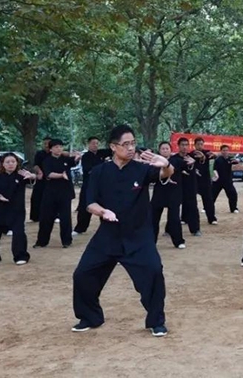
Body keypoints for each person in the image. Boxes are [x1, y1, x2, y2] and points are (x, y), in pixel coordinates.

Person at [72, 125, 174, 337]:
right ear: (113, 146)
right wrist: (103, 212)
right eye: (125, 144)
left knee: (154, 271)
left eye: (133, 143)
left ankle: (156, 321)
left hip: (138, 235)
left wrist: (166, 165)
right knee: (83, 274)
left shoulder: (142, 169)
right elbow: (90, 203)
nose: (130, 148)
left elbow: (165, 174)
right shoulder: (99, 172)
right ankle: (90, 317)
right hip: (108, 235)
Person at [0, 153, 36, 264]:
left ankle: (21, 256)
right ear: (2, 164)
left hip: (16, 210)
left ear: (17, 163)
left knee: (18, 233)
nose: (11, 164)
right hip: (0, 209)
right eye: (8, 162)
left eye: (13, 162)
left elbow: (34, 179)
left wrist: (32, 176)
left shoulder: (21, 175)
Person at [36, 139, 80, 248]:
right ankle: (42, 241)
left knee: (65, 218)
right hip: (51, 193)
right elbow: (49, 174)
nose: (59, 149)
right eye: (56, 147)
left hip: (65, 192)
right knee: (46, 217)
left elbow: (74, 162)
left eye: (60, 146)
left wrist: (77, 158)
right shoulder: (47, 161)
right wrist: (61, 175)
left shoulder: (65, 159)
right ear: (50, 149)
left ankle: (66, 241)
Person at [73, 137, 113, 235]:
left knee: (105, 205)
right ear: (88, 144)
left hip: (102, 185)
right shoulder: (86, 156)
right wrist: (104, 165)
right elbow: (89, 170)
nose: (95, 145)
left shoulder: (101, 153)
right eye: (93, 143)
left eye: (97, 143)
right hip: (89, 184)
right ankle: (80, 228)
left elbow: (114, 149)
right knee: (84, 206)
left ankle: (107, 227)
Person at [151, 142, 186, 249]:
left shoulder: (177, 161)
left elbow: (186, 169)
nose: (165, 150)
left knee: (174, 218)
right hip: (159, 193)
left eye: (167, 148)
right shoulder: (154, 162)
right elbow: (152, 176)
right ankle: (151, 242)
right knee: (153, 218)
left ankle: (178, 241)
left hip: (173, 194)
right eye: (163, 149)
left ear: (171, 150)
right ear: (159, 150)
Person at [176, 138, 201, 236]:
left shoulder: (192, 157)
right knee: (174, 208)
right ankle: (170, 229)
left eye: (186, 145)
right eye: (182, 145)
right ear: (178, 146)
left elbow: (203, 160)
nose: (184, 147)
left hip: (190, 186)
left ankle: (195, 229)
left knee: (193, 208)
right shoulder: (174, 158)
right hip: (178, 186)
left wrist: (193, 164)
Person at [192, 137, 217, 225]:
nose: (200, 146)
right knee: (189, 200)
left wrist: (204, 157)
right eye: (198, 144)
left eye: (201, 144)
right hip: (194, 181)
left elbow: (214, 157)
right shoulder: (191, 154)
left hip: (205, 181)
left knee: (208, 200)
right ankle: (185, 217)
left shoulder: (207, 153)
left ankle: (212, 218)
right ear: (194, 145)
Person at [212, 145, 240, 213]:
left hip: (228, 181)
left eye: (226, 150)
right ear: (221, 151)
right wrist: (216, 175)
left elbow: (237, 161)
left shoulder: (230, 159)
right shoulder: (218, 160)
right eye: (223, 150)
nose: (225, 152)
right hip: (218, 181)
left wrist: (237, 160)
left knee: (233, 194)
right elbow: (214, 169)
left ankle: (234, 208)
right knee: (212, 195)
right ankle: (206, 208)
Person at [30, 137, 51, 223]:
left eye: (48, 143)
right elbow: (35, 165)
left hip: (53, 179)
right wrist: (39, 172)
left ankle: (54, 215)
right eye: (45, 143)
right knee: (36, 197)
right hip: (41, 178)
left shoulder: (56, 154)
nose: (46, 145)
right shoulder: (39, 154)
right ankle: (36, 216)